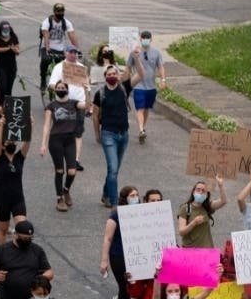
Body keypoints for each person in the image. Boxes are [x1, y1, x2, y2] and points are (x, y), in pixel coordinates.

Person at [92, 60, 142, 208]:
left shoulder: (124, 88)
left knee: (114, 169)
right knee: (113, 169)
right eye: (109, 74)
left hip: (123, 135)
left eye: (114, 73)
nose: (112, 76)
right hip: (108, 134)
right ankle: (115, 203)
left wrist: (134, 59)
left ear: (118, 75)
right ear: (105, 76)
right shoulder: (100, 93)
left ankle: (106, 194)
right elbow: (95, 115)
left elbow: (141, 75)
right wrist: (97, 134)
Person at [99, 185, 141, 299]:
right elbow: (108, 238)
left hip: (136, 254)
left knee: (135, 284)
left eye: (136, 195)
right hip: (119, 255)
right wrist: (104, 260)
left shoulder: (141, 213)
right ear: (125, 198)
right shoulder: (115, 216)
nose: (135, 198)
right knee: (125, 286)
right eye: (132, 195)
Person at [40, 78, 86, 212]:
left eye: (63, 88)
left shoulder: (74, 103)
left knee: (72, 171)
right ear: (55, 90)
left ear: (67, 89)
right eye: (58, 88)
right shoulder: (51, 106)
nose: (61, 90)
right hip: (56, 140)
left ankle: (66, 190)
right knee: (59, 170)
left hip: (70, 140)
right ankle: (59, 198)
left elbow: (87, 106)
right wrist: (43, 144)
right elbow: (46, 126)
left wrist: (87, 90)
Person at [127, 30, 165, 144]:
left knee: (146, 108)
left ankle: (142, 127)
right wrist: (127, 82)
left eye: (147, 37)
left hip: (151, 86)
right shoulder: (134, 53)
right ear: (140, 38)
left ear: (151, 39)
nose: (145, 39)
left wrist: (163, 79)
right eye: (143, 37)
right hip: (138, 85)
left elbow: (160, 67)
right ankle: (141, 129)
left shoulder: (156, 53)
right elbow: (128, 67)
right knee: (140, 108)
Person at [178, 177, 228, 250]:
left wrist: (220, 185)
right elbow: (181, 232)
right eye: (198, 190)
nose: (200, 192)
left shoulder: (207, 206)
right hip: (190, 251)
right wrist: (194, 223)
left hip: (207, 250)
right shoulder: (185, 208)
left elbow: (223, 201)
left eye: (203, 191)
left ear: (206, 195)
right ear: (193, 192)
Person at [38, 3, 76, 92]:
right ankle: (43, 79)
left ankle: (63, 85)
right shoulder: (47, 22)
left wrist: (76, 49)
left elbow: (72, 35)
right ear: (54, 12)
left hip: (60, 48)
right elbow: (46, 36)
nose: (60, 13)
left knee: (63, 67)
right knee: (46, 60)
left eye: (62, 12)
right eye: (58, 11)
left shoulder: (66, 22)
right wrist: (47, 48)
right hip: (47, 47)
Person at [0, 22, 19, 100]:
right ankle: (1, 103)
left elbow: (18, 51)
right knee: (3, 87)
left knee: (8, 89)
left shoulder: (13, 37)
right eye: (4, 30)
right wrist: (8, 48)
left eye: (7, 30)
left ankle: (7, 106)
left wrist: (15, 50)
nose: (6, 31)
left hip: (12, 66)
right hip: (0, 66)